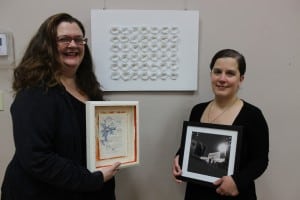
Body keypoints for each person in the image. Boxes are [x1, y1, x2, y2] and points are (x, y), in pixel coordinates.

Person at [1, 13, 121, 200]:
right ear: (47, 45)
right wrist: (92, 179)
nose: (73, 45)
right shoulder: (34, 94)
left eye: (78, 40)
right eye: (64, 39)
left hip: (81, 187)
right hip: (39, 193)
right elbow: (37, 158)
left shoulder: (89, 90)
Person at [172, 49, 269, 200]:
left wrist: (237, 181)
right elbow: (191, 146)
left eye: (230, 73)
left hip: (234, 193)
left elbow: (260, 160)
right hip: (197, 192)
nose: (222, 79)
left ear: (241, 79)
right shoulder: (197, 110)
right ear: (211, 74)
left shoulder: (253, 115)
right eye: (217, 72)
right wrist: (179, 157)